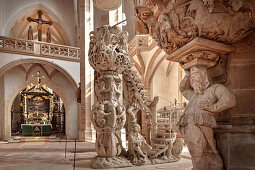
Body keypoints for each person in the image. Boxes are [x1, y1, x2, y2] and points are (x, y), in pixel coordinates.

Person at [178, 66, 236, 170]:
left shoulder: (215, 88)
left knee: (199, 150)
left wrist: (213, 107)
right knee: (195, 150)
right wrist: (187, 76)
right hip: (188, 124)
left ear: (204, 77)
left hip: (201, 124)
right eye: (192, 80)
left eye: (196, 77)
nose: (193, 82)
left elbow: (229, 100)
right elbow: (183, 88)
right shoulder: (193, 94)